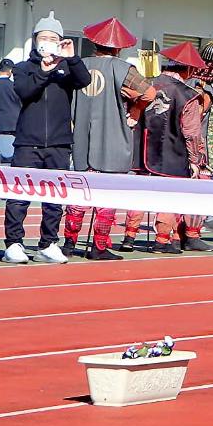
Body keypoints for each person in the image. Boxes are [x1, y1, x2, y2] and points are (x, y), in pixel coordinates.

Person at [5, 11, 90, 264]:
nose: (48, 42)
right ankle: (13, 243)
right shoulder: (22, 68)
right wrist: (43, 72)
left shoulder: (66, 69)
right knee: (19, 195)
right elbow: (24, 91)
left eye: (54, 38)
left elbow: (84, 80)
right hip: (27, 143)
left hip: (59, 143)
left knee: (55, 198)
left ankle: (48, 243)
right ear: (35, 40)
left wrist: (72, 57)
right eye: (43, 38)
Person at [66, 17, 151, 260]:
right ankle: (99, 246)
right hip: (114, 141)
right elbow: (150, 93)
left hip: (82, 138)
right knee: (107, 198)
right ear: (119, 47)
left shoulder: (80, 65)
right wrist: (134, 111)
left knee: (78, 196)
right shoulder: (123, 68)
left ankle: (69, 243)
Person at [129, 42, 213, 253]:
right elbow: (192, 133)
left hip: (141, 150)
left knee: (138, 194)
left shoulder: (147, 84)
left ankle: (129, 236)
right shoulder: (189, 95)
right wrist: (196, 160)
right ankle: (161, 240)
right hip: (172, 155)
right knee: (169, 196)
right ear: (188, 69)